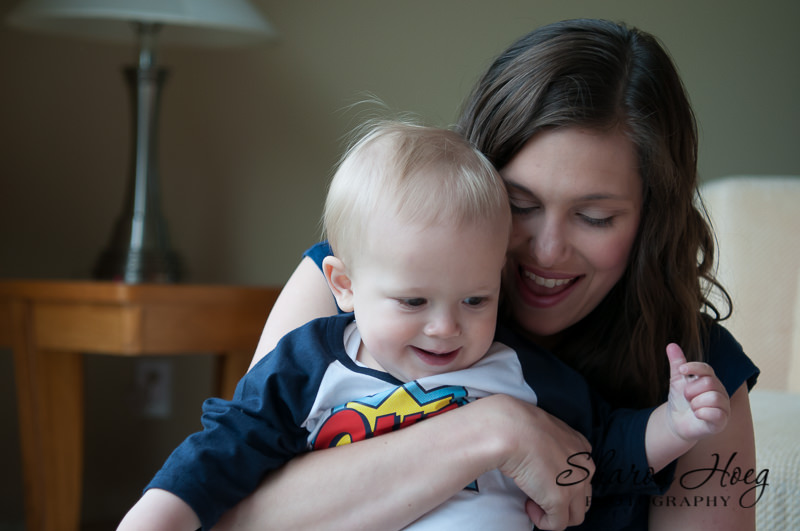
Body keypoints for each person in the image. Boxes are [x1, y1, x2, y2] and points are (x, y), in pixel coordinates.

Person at [213, 19, 759, 531]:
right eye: (518, 203)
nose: (546, 251)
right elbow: (233, 512)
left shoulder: (698, 377)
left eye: (595, 217)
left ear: (650, 221)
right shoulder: (350, 289)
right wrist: (493, 431)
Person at [118, 121, 729, 531]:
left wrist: (673, 426)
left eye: (474, 300)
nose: (445, 329)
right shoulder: (312, 366)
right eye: (412, 302)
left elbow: (605, 451)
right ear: (344, 286)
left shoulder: (521, 369)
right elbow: (221, 454)